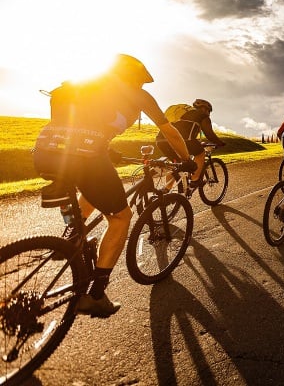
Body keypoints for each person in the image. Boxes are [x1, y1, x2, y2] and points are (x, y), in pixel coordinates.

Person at [33, 54, 196, 317]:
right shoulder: (139, 96)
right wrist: (187, 160)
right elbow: (170, 132)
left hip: (44, 152)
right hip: (85, 156)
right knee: (121, 217)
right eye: (141, 81)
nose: (142, 87)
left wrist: (106, 149)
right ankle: (96, 295)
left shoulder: (83, 85)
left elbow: (80, 123)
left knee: (93, 189)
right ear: (136, 78)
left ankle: (72, 237)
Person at [156, 98, 225, 189]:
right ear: (205, 109)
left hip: (161, 141)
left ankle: (166, 190)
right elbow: (209, 134)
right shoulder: (202, 116)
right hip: (184, 140)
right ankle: (195, 180)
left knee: (176, 165)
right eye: (209, 111)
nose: (208, 114)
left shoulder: (182, 113)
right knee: (200, 154)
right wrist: (220, 143)